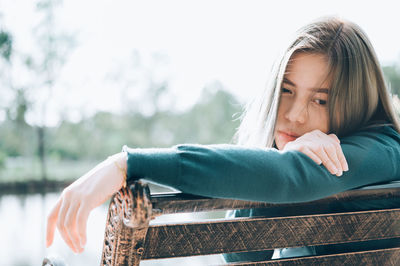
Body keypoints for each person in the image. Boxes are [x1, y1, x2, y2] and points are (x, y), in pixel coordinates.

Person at [46, 16, 400, 262]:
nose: (294, 114)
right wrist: (283, 159)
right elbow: (242, 255)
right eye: (286, 91)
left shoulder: (384, 150)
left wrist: (128, 164)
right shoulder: (316, 162)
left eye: (320, 100)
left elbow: (288, 179)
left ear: (356, 101)